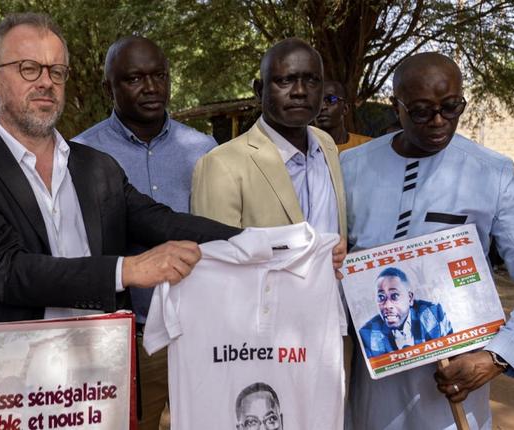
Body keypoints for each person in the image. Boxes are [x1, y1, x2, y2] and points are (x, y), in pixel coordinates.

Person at [0, 12, 239, 325]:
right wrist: (127, 270)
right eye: (30, 69)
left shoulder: (97, 165)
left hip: (111, 362)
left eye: (57, 71)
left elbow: (163, 222)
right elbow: (7, 271)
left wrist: (260, 241)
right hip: (17, 367)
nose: (46, 82)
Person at [342, 52, 514, 429]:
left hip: (453, 386)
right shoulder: (350, 169)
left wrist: (497, 357)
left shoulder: (490, 174)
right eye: (421, 110)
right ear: (396, 106)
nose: (438, 121)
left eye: (451, 107)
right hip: (369, 384)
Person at [72, 35, 215, 429]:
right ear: (109, 88)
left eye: (159, 76)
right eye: (135, 78)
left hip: (198, 332)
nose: (151, 88)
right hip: (127, 338)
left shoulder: (203, 149)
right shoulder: (80, 154)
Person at [191, 38, 346, 265]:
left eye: (312, 81)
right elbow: (217, 265)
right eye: (285, 80)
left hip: (332, 296)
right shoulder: (220, 165)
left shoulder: (326, 145)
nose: (300, 92)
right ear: (259, 90)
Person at [359, 267, 453, 358]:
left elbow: (453, 352)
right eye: (381, 297)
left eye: (395, 296)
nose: (387, 305)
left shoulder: (433, 314)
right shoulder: (368, 333)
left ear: (410, 298)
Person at [313, 80, 371, 152]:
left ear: (345, 109)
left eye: (330, 100)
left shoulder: (368, 147)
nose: (322, 107)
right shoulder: (301, 150)